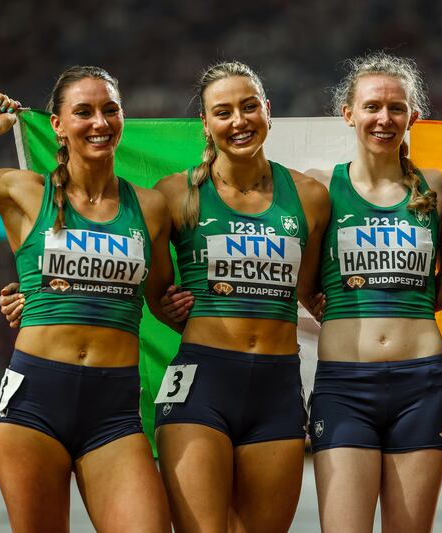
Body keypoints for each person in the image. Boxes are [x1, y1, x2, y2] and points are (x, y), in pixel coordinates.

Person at [0, 66, 172, 532]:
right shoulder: (25, 191)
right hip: (35, 403)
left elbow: (159, 299)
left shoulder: (150, 207)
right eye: (83, 112)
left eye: (110, 109)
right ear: (58, 125)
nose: (100, 122)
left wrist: (185, 306)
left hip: (114, 409)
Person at [152, 61, 330, 533]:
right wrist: (31, 291)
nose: (239, 121)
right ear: (206, 125)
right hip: (201, 383)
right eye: (223, 112)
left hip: (277, 387)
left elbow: (312, 291)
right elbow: (140, 279)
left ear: (268, 112)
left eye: (249, 107)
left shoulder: (310, 196)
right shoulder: (174, 194)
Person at [302, 52, 442, 533]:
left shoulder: (434, 186)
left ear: (413, 116)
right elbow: (302, 280)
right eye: (371, 107)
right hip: (345, 388)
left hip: (422, 384)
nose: (384, 118)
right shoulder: (322, 188)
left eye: (396, 108)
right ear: (348, 113)